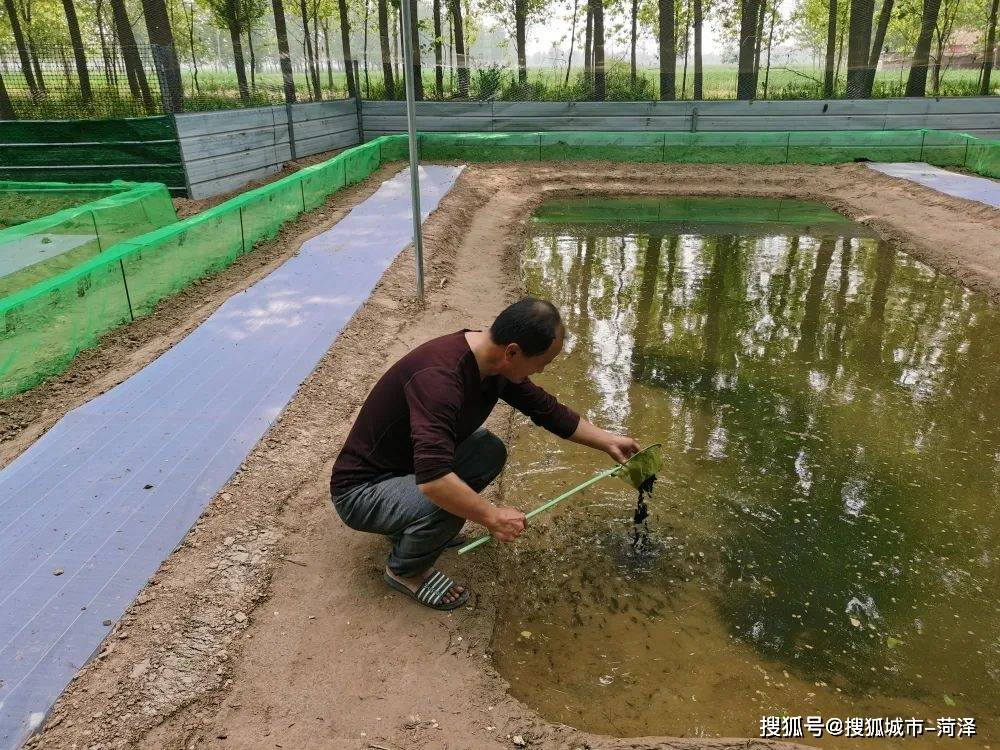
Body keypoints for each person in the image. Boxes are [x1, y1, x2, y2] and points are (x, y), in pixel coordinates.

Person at [330, 297, 639, 610]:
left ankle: (416, 528)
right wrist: (492, 517)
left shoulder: (494, 363)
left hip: (405, 469)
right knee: (451, 500)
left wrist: (608, 441)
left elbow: (547, 410)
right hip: (361, 493)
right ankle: (405, 571)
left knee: (487, 451)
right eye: (542, 362)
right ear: (514, 351)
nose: (542, 370)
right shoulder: (440, 378)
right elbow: (434, 481)